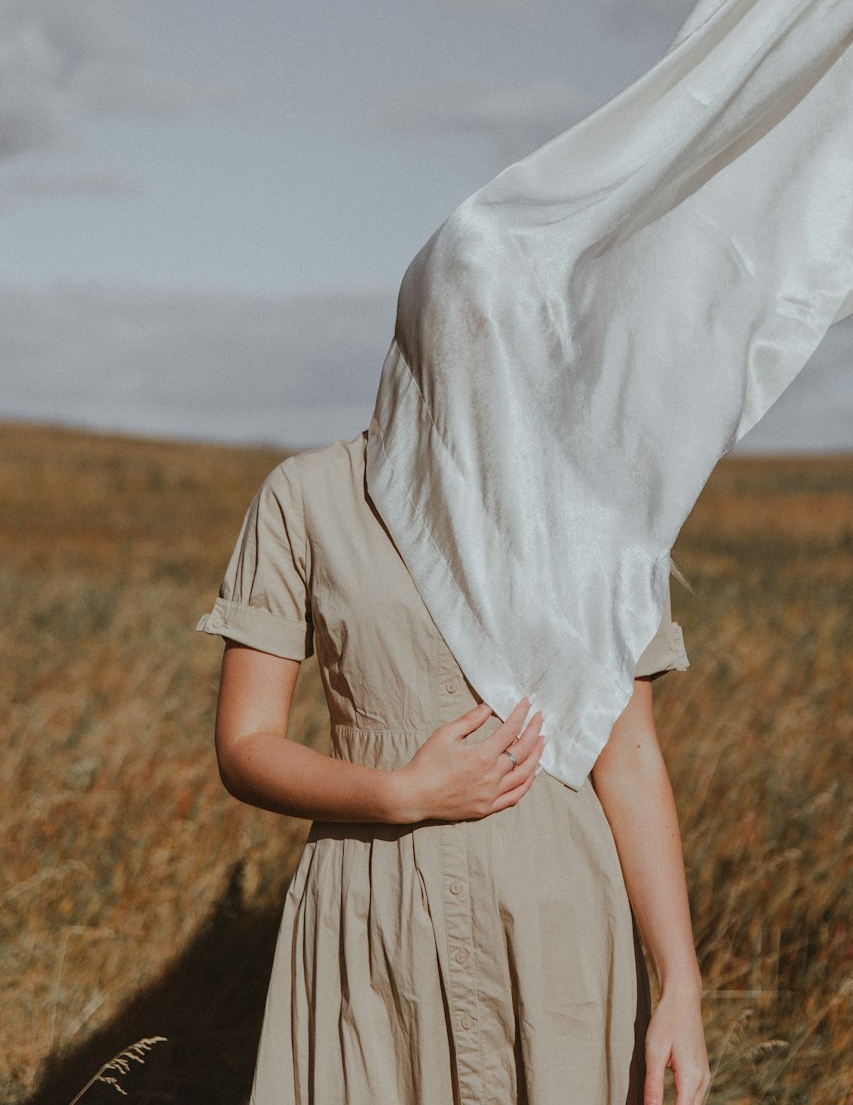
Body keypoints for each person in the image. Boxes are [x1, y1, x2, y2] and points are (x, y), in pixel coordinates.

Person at [198, 428, 710, 1105]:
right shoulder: (308, 495)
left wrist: (681, 982)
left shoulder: (600, 499)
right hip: (374, 925)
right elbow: (244, 745)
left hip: (560, 935)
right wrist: (399, 794)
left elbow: (630, 758)